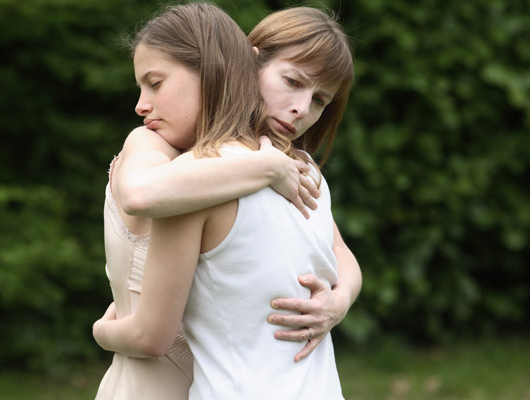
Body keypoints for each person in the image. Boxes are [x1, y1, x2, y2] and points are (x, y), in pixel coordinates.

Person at [93, 3, 356, 399]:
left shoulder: (297, 171)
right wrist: (267, 168)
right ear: (248, 64)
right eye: (292, 81)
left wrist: (338, 300)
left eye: (320, 101)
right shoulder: (192, 166)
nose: (302, 108)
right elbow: (139, 194)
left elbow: (339, 252)